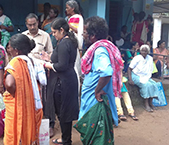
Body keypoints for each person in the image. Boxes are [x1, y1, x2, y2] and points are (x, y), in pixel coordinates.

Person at [75, 16, 123, 144]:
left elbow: (107, 72)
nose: (83, 35)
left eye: (85, 33)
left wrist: (97, 90)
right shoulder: (100, 49)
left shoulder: (99, 51)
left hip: (95, 106)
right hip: (92, 105)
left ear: (92, 36)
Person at [3, 33, 46, 145]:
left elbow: (10, 84)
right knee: (27, 131)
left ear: (16, 50)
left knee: (15, 134)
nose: (9, 50)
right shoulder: (31, 61)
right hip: (30, 104)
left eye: (10, 47)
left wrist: (14, 94)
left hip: (17, 104)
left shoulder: (15, 62)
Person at [43, 17, 79, 145]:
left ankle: (66, 140)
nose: (53, 35)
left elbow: (62, 66)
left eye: (54, 32)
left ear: (61, 30)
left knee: (63, 112)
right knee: (65, 111)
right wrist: (50, 59)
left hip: (63, 82)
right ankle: (66, 139)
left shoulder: (64, 43)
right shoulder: (69, 41)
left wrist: (48, 65)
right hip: (67, 80)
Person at [128, 44, 158, 112]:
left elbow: (150, 69)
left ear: (148, 52)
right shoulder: (137, 58)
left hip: (146, 76)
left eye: (145, 51)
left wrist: (148, 77)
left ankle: (151, 103)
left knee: (153, 84)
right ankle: (146, 104)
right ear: (140, 51)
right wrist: (130, 79)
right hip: (136, 76)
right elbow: (129, 69)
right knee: (145, 85)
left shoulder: (150, 58)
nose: (144, 52)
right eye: (142, 51)